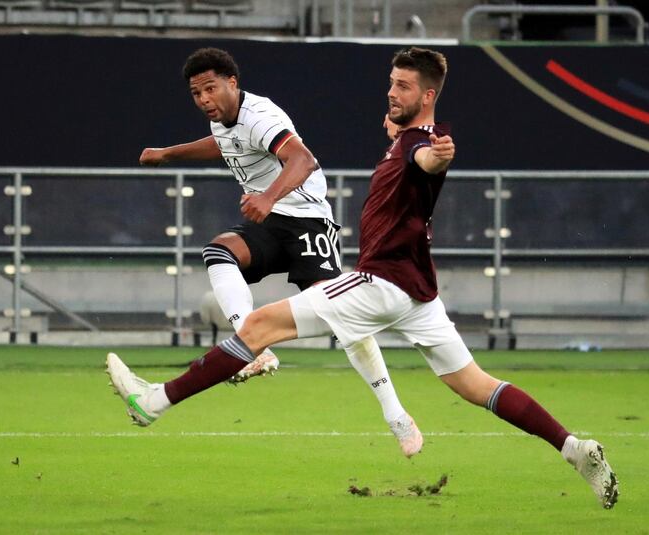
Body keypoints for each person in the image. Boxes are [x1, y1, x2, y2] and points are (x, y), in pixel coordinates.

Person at [110, 46, 619, 509]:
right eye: (390, 83)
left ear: (427, 95)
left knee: (258, 327)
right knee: (474, 384)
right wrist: (406, 141)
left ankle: (154, 402)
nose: (391, 92)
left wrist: (434, 157)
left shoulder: (423, 144)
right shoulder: (403, 140)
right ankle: (573, 448)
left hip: (383, 283)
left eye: (402, 86)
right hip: (420, 292)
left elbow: (429, 157)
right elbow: (411, 154)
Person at [138, 47, 422, 457]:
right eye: (196, 93)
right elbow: (225, 145)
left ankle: (396, 414)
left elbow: (303, 160)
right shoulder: (226, 120)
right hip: (272, 223)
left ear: (233, 83)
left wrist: (268, 197)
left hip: (306, 220)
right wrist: (169, 153)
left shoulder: (260, 115)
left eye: (210, 89)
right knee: (219, 252)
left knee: (348, 323)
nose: (204, 100)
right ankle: (252, 347)